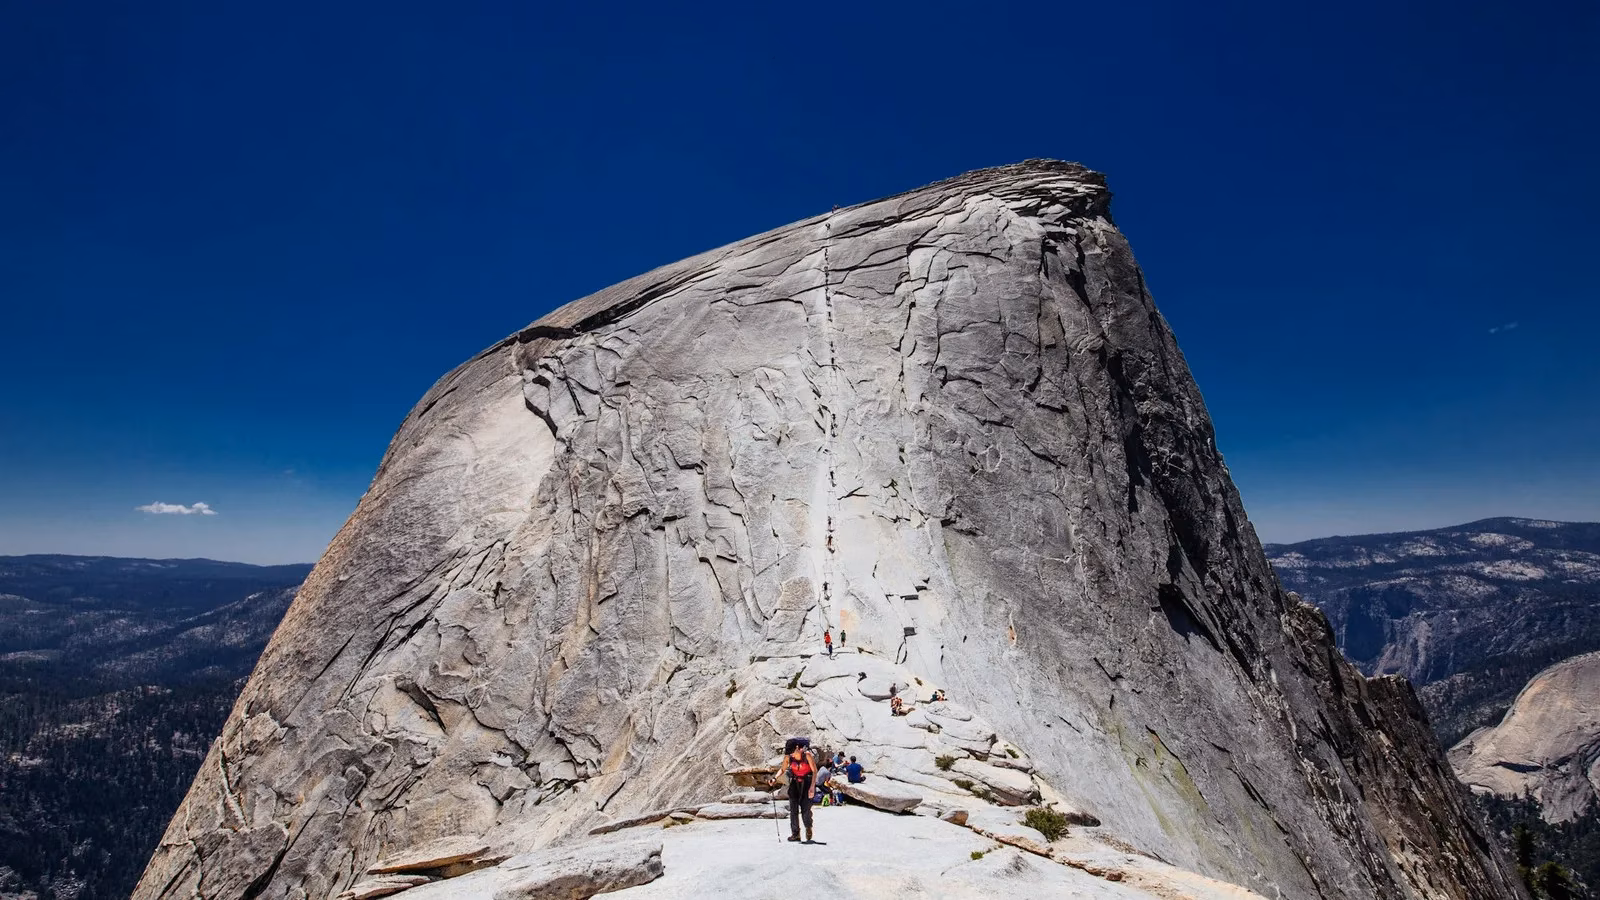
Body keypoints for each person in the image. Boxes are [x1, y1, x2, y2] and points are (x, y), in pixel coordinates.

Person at [782, 739, 817, 842]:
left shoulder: (807, 755)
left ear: (797, 748)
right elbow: (783, 769)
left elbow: (815, 771)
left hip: (807, 782)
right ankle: (795, 834)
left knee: (805, 810)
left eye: (791, 752)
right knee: (793, 810)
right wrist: (774, 779)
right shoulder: (789, 757)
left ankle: (808, 826)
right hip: (794, 783)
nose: (790, 754)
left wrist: (812, 787)